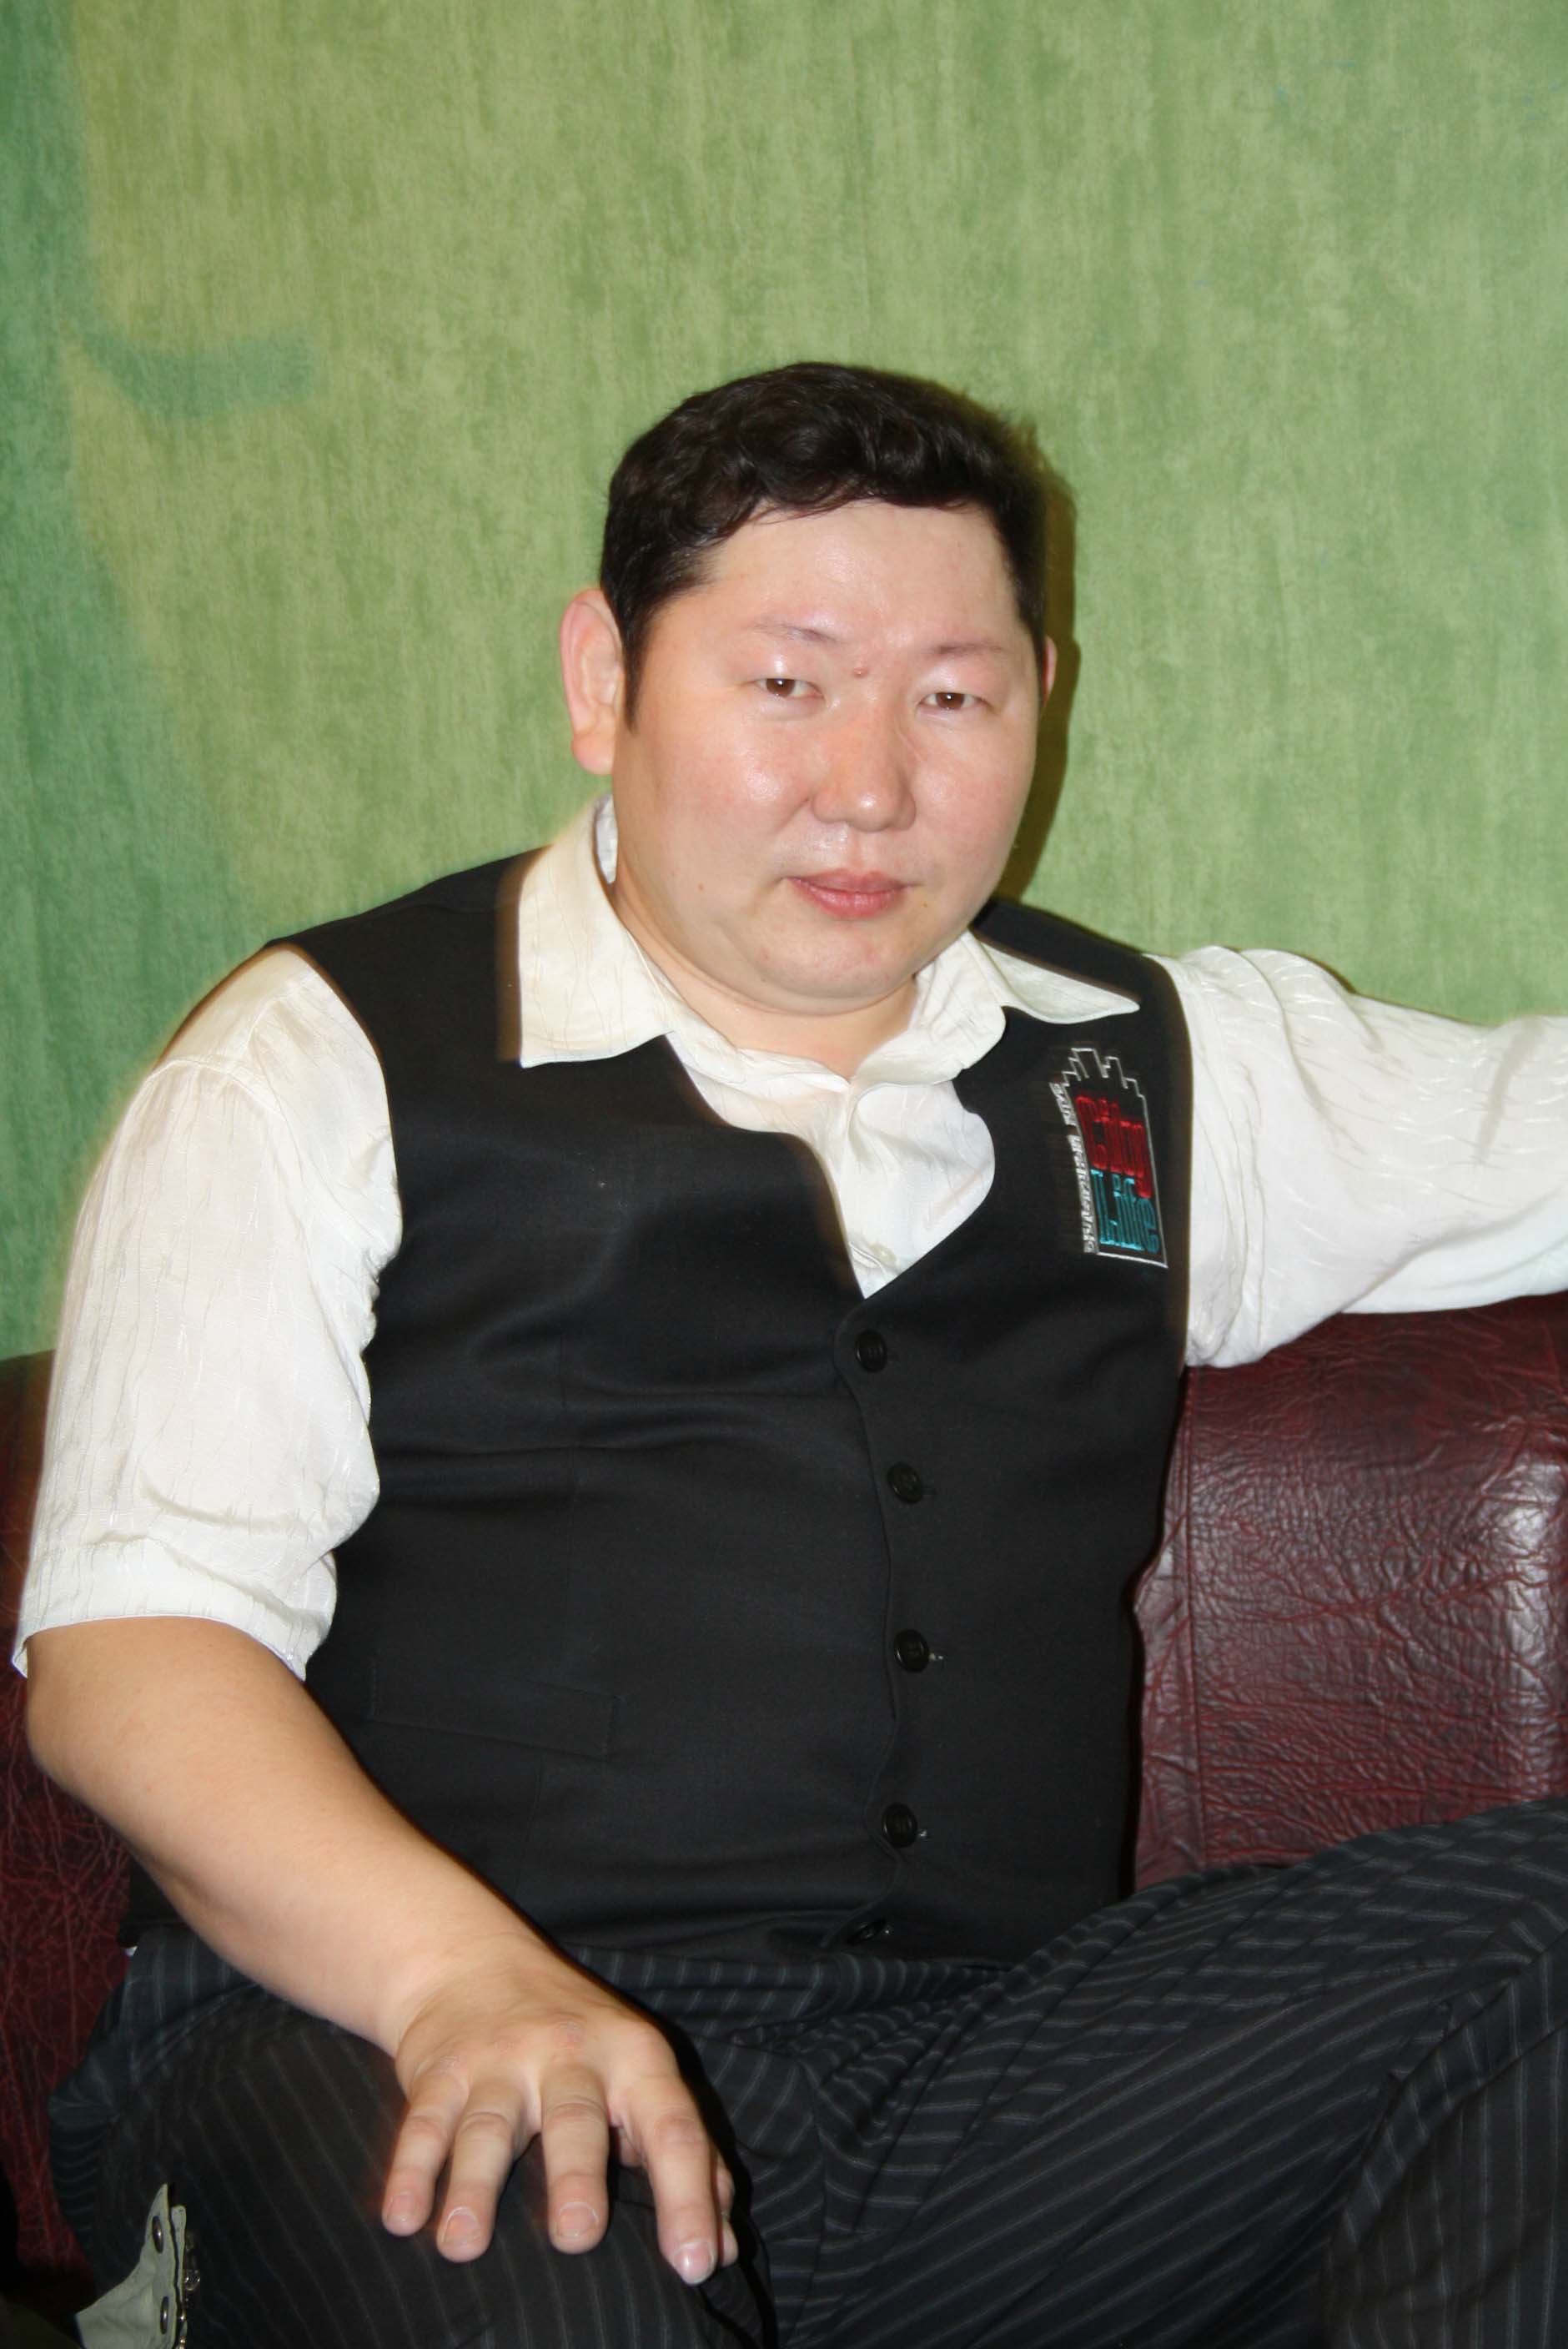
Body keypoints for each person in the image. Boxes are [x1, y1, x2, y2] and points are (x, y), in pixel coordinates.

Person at [16, 361, 1568, 2349]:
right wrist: (453, 1977)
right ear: (604, 679)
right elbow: (134, 1651)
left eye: (953, 697)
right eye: (785, 682)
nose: (870, 786)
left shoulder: (1163, 1067)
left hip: (977, 2090)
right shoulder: (318, 1061)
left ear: (1044, 695)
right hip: (379, 2038)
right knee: (543, 2254)